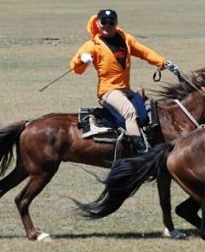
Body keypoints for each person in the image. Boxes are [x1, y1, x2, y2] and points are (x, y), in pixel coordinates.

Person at [70, 8, 180, 153]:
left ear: (116, 23)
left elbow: (144, 52)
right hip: (108, 90)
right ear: (97, 23)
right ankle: (142, 150)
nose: (107, 26)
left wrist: (163, 62)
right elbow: (76, 69)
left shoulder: (125, 39)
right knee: (129, 113)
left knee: (146, 113)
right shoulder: (92, 46)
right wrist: (82, 60)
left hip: (125, 89)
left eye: (111, 22)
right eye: (104, 22)